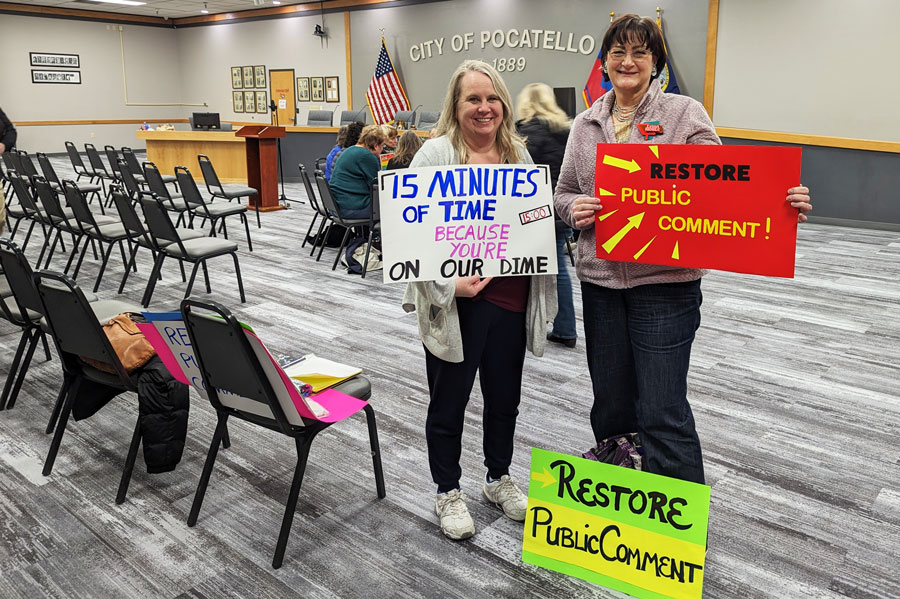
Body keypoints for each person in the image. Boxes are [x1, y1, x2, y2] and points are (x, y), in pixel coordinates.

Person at [554, 14, 812, 485]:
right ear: (605, 62)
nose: (628, 61)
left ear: (655, 63)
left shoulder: (683, 114)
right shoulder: (585, 124)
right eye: (618, 52)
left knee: (662, 407)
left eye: (640, 52)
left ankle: (674, 530)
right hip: (601, 285)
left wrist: (781, 201)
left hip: (665, 288)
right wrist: (575, 209)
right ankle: (620, 492)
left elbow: (729, 185)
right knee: (610, 402)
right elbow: (563, 191)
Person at [402, 60, 556, 541]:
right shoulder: (433, 157)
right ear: (456, 105)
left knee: (504, 401)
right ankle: (448, 489)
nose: (484, 108)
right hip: (458, 306)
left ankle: (497, 478)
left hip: (511, 298)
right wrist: (450, 284)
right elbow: (409, 238)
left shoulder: (518, 156)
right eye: (473, 99)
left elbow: (532, 221)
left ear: (504, 105)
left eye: (492, 99)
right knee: (448, 403)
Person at [515, 82, 576, 348]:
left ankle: (556, 326)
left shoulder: (527, 132)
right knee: (559, 268)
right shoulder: (568, 129)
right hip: (562, 208)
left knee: (532, 269)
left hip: (536, 211)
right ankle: (565, 326)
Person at [328, 124, 386, 218]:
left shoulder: (349, 150)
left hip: (336, 205)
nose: (383, 149)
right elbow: (377, 186)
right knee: (391, 208)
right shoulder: (367, 156)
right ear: (376, 146)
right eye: (383, 145)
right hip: (350, 207)